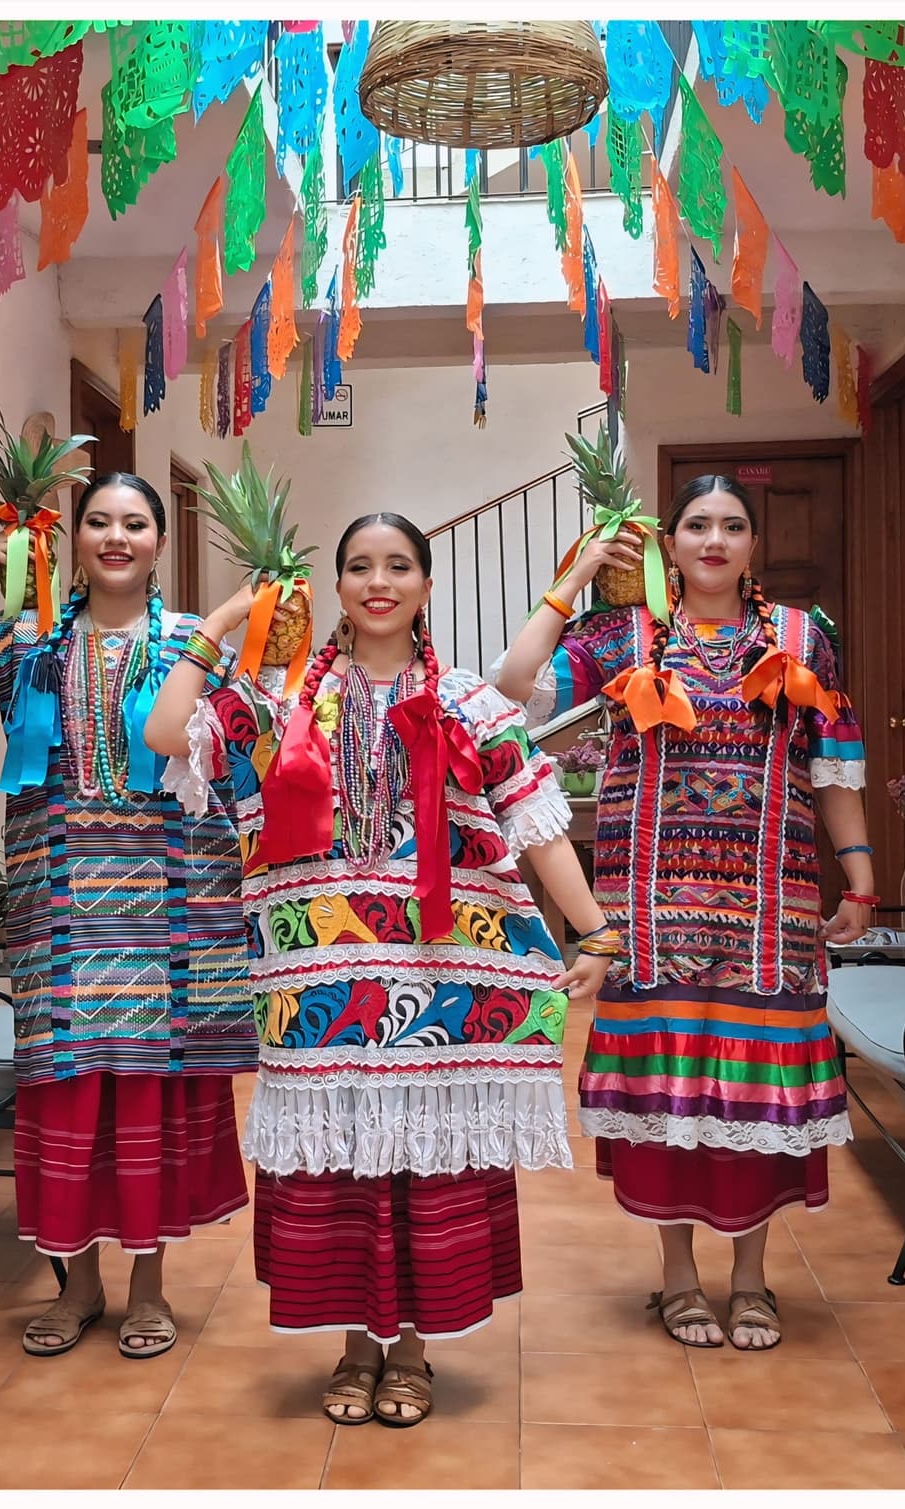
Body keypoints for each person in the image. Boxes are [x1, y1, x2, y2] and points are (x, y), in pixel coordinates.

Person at [147, 513, 617, 1427]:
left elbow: (534, 817)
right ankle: (354, 1346)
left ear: (426, 586)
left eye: (398, 565)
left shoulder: (472, 705)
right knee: (344, 1170)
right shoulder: (280, 702)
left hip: (440, 982)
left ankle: (411, 1350)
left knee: (420, 1167)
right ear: (336, 586)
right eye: (358, 564)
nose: (378, 581)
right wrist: (217, 628)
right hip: (320, 989)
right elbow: (170, 732)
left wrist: (595, 931)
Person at [494, 474, 875, 1352]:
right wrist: (573, 576)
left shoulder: (802, 636)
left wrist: (858, 881)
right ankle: (677, 1277)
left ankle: (750, 1278)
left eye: (732, 526)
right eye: (696, 525)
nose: (714, 539)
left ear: (753, 544)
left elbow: (837, 768)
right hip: (649, 912)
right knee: (667, 1098)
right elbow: (513, 685)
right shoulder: (616, 633)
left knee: (756, 1100)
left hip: (769, 911)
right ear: (668, 544)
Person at [0, 472, 254, 1362]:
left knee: (146, 1093)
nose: (115, 536)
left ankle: (149, 1288)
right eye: (98, 522)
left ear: (161, 542)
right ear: (73, 539)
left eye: (135, 522)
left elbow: (246, 756)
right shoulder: (29, 640)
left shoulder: (191, 644)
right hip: (61, 908)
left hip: (171, 910)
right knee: (70, 1091)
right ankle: (78, 1286)